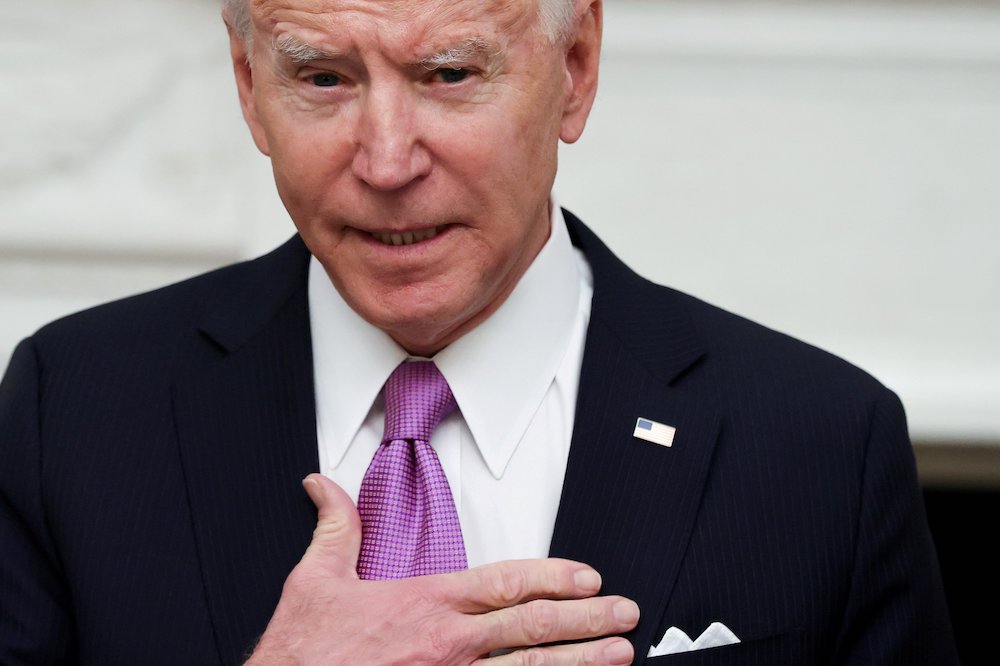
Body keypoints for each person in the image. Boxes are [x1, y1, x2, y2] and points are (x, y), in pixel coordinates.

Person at [0, 0, 959, 663]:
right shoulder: (74, 406)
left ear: (576, 68)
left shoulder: (818, 442)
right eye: (324, 78)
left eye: (450, 73)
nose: (383, 159)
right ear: (249, 86)